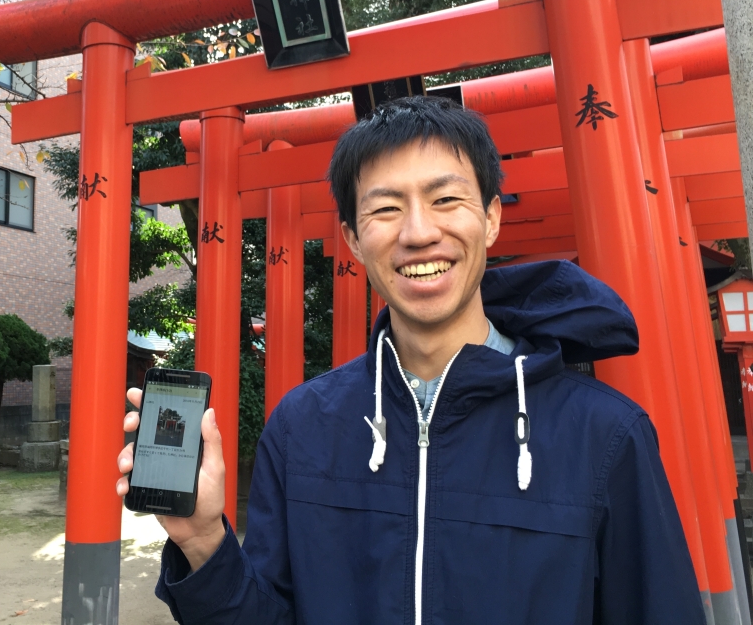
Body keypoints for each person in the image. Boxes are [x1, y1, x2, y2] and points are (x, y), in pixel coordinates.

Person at [115, 95, 705, 624]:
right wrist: (201, 542)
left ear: (492, 217)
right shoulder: (301, 428)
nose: (420, 233)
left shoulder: (605, 435)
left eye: (446, 199)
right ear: (351, 237)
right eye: (387, 209)